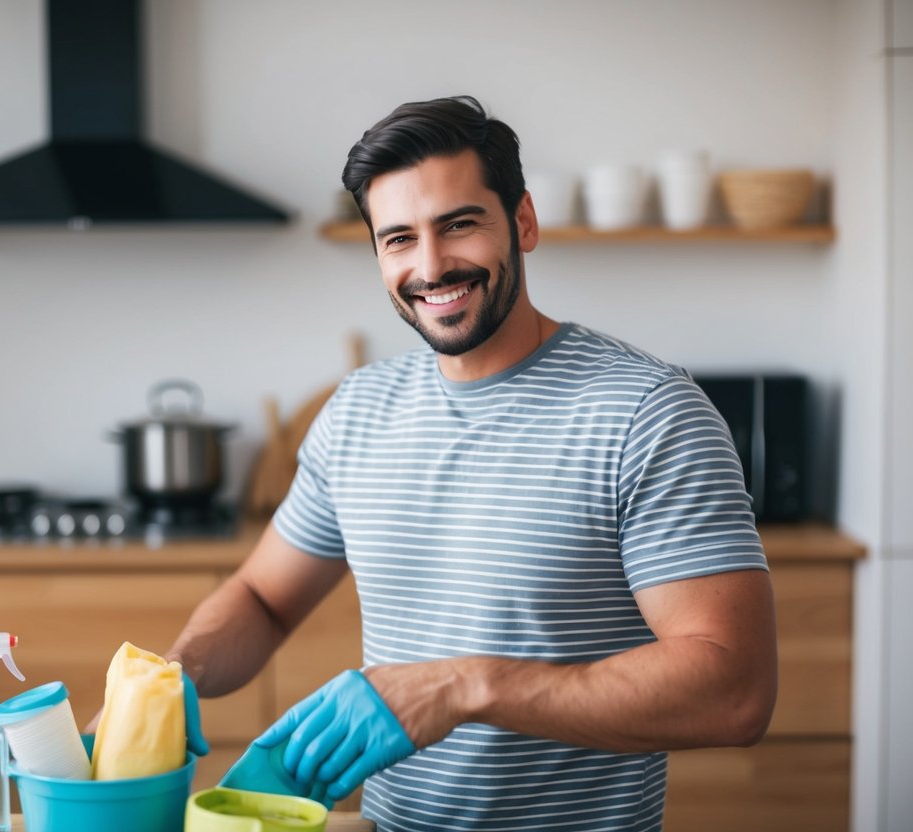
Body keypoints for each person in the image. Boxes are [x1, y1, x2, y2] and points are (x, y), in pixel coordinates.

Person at [163, 95, 777, 831]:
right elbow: (263, 599)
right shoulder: (357, 411)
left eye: (458, 225)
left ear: (521, 222)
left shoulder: (645, 412)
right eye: (398, 238)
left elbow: (733, 692)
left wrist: (462, 687)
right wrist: (174, 677)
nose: (430, 266)